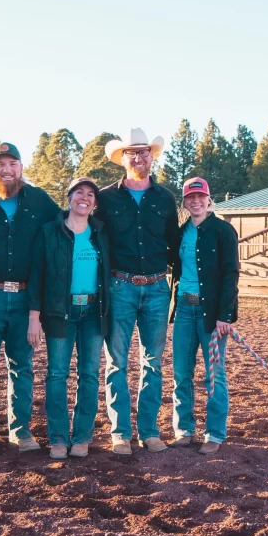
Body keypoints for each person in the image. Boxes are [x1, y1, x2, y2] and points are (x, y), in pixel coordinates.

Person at [0, 142, 60, 457]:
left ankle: (21, 432)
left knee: (22, 366)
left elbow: (64, 230)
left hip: (24, 298)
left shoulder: (40, 201)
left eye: (12, 164)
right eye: (0, 164)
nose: (6, 170)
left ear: (21, 167)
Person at [99, 128, 178, 454]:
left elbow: (175, 243)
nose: (139, 157)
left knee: (153, 363)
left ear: (151, 156)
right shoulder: (104, 199)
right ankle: (120, 433)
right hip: (121, 286)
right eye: (132, 152)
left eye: (144, 151)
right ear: (123, 158)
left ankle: (148, 430)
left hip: (158, 288)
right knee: (117, 362)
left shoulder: (165, 198)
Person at [28, 177, 111, 459]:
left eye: (90, 194)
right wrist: (34, 317)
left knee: (89, 375)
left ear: (94, 202)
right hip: (59, 313)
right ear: (69, 197)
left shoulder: (100, 232)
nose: (84, 198)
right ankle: (59, 438)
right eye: (79, 192)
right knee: (57, 374)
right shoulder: (50, 232)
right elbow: (37, 275)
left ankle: (82, 437)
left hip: (92, 312)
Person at [170, 176, 239, 454]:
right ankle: (184, 429)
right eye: (190, 197)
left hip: (212, 313)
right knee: (181, 372)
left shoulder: (223, 231)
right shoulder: (180, 232)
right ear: (185, 202)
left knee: (214, 374)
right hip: (185, 309)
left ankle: (215, 434)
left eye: (201, 197)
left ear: (209, 199)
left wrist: (225, 315)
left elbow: (230, 274)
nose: (196, 201)